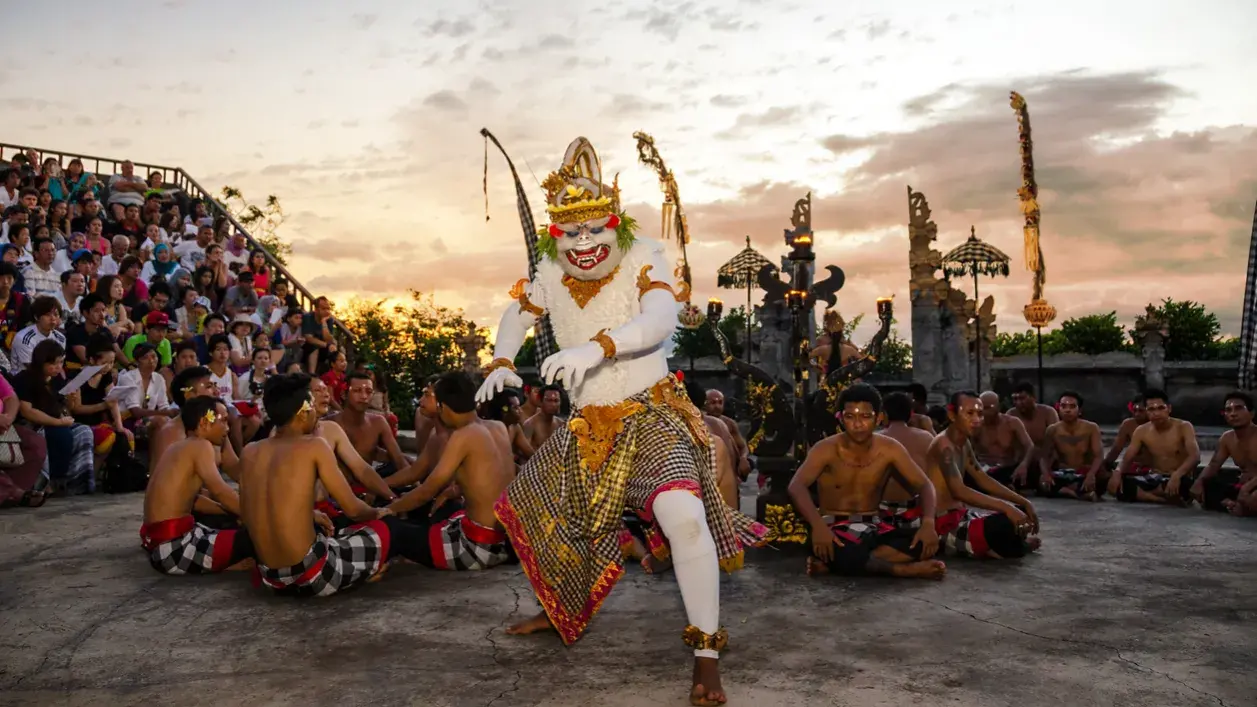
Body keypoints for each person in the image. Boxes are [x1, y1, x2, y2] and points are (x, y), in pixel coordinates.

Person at [477, 137, 765, 706]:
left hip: (651, 414)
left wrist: (598, 348)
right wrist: (504, 359)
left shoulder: (642, 255)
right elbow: (519, 312)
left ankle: (706, 653)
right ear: (556, 234)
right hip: (586, 426)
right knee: (542, 514)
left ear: (615, 224)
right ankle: (555, 608)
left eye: (594, 230)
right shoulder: (551, 268)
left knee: (683, 521)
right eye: (571, 233)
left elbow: (660, 319)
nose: (584, 243)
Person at [240, 374, 427, 596]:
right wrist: (381, 512)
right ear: (303, 410)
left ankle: (364, 567)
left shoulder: (250, 451)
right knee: (393, 529)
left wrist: (310, 514)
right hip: (314, 574)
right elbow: (355, 510)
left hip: (272, 578)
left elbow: (251, 511)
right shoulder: (313, 446)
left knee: (337, 529)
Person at [787, 383, 943, 580]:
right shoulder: (825, 448)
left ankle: (840, 564)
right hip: (834, 526)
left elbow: (925, 484)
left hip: (874, 525)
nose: (858, 424)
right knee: (841, 549)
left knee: (923, 543)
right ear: (841, 419)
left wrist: (928, 523)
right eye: (850, 417)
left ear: (879, 418)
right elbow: (796, 486)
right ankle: (902, 570)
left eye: (865, 417)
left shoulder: (890, 448)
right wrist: (818, 527)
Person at [385, 372, 515, 570]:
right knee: (440, 514)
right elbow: (488, 480)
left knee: (393, 531)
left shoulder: (465, 434)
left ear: (442, 407)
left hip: (477, 549)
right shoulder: (498, 427)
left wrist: (388, 510)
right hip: (505, 542)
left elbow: (427, 490)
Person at [902, 391, 1042, 559]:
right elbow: (959, 491)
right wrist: (1007, 507)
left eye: (980, 414)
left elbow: (981, 477)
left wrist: (1022, 502)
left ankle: (1003, 546)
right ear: (952, 415)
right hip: (943, 523)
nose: (976, 420)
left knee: (1018, 513)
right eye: (969, 413)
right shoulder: (944, 445)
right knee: (1003, 523)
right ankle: (1002, 547)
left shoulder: (963, 441)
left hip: (961, 515)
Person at [140, 397, 255, 574]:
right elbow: (220, 491)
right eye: (223, 421)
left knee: (237, 523)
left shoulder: (181, 446)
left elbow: (194, 499)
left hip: (160, 547)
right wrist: (257, 515)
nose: (228, 428)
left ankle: (223, 561)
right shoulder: (201, 446)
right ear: (204, 422)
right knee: (257, 536)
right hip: (174, 550)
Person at [1107, 388, 1200, 504]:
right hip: (1154, 478)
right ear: (1146, 411)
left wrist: (1177, 474)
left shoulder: (1184, 427)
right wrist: (1117, 472)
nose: (1156, 413)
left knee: (1185, 486)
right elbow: (1128, 457)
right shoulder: (1141, 431)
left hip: (1179, 477)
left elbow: (1195, 457)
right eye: (1151, 409)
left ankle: (1145, 495)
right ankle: (1159, 499)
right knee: (1122, 484)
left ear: (1169, 409)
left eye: (1161, 408)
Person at [327, 371, 410, 479]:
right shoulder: (329, 424)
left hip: (368, 485)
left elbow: (399, 460)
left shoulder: (378, 422)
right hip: (335, 488)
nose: (364, 396)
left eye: (369, 391)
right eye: (357, 391)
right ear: (343, 394)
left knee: (410, 462)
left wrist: (417, 489)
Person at [1191, 391, 1256, 512]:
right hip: (1242, 487)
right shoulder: (1227, 438)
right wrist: (1199, 482)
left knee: (1252, 499)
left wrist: (1246, 488)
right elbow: (1213, 465)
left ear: (1252, 413)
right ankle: (1235, 505)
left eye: (1238, 408)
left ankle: (1234, 506)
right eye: (1228, 410)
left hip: (1251, 488)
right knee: (1198, 486)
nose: (1233, 414)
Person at [876, 392, 935, 522]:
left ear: (884, 414)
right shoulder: (926, 437)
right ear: (910, 414)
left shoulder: (876, 439)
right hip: (919, 509)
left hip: (883, 511)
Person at [1037, 391, 1106, 501]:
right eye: (1063, 406)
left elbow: (1099, 455)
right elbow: (1044, 456)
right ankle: (1073, 492)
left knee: (1101, 480)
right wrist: (1046, 474)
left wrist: (1091, 474)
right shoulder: (1052, 430)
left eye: (1072, 406)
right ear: (1059, 408)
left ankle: (1066, 491)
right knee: (1043, 484)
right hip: (1063, 473)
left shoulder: (1091, 428)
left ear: (1080, 411)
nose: (1067, 410)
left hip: (1084, 473)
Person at [971, 391, 1035, 488]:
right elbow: (966, 448)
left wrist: (1024, 464)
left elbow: (1029, 446)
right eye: (982, 408)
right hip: (983, 469)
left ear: (998, 406)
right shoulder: (976, 425)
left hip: (1007, 469)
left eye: (989, 408)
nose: (985, 412)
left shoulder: (1012, 423)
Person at [1008, 382, 1058, 477]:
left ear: (1033, 398)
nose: (1018, 403)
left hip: (1046, 463)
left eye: (1022, 398)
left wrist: (1046, 469)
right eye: (1015, 399)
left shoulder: (1048, 413)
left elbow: (1056, 444)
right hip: (1020, 463)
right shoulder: (1011, 415)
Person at [703, 389, 751, 480]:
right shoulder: (700, 422)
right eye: (713, 403)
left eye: (720, 402)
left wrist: (743, 459)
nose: (717, 406)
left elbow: (743, 446)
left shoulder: (729, 423)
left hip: (728, 470)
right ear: (705, 404)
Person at [484, 388, 534, 464]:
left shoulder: (514, 427)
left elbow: (530, 453)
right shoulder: (490, 430)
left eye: (519, 406)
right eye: (515, 408)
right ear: (505, 411)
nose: (520, 411)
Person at [1103, 395, 1151, 470]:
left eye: (1141, 411)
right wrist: (1104, 466)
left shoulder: (1158, 425)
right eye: (1135, 410)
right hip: (1134, 467)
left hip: (1156, 468)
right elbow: (1116, 449)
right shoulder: (1128, 424)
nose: (1137, 414)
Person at [521, 383, 565, 451]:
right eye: (549, 400)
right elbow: (523, 453)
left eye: (556, 401)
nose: (553, 404)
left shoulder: (562, 424)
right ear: (540, 401)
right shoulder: (529, 425)